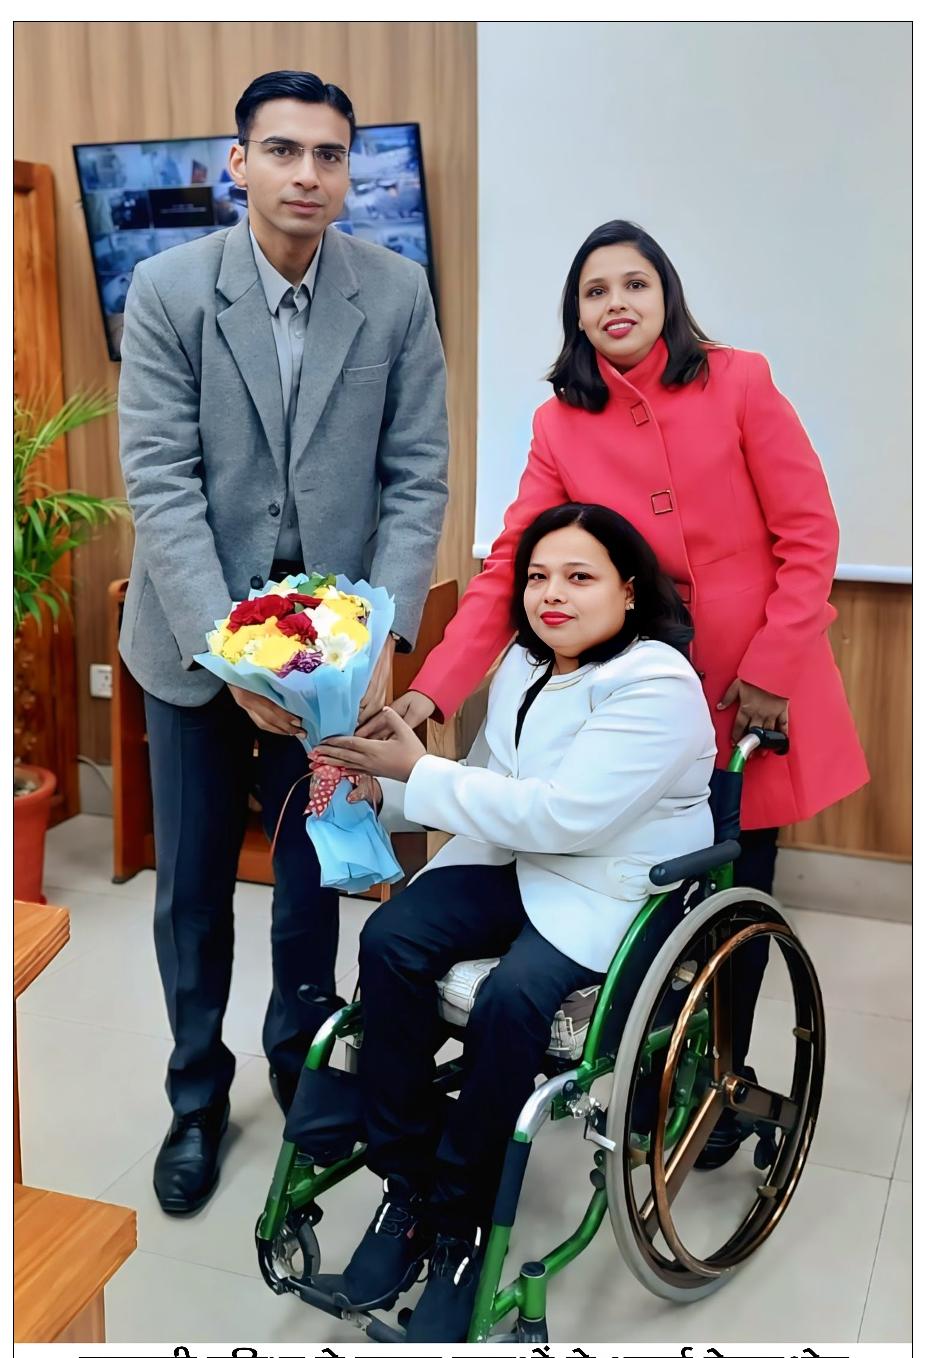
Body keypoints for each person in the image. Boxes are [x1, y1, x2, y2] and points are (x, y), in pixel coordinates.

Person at [380, 219, 868, 1162]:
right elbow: (510, 569)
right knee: (638, 889)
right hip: (631, 694)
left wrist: (771, 669)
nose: (616, 303)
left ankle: (715, 1078)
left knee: (733, 892)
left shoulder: (739, 380)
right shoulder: (560, 421)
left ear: (666, 296)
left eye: (634, 284)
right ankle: (645, 1061)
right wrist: (432, 691)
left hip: (751, 690)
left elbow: (808, 534)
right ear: (576, 315)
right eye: (594, 291)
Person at [117, 69, 448, 1215]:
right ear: (239, 164)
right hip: (191, 652)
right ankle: (195, 1095)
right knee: (193, 889)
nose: (308, 173)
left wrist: (382, 634)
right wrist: (234, 656)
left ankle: (298, 1069)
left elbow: (417, 475)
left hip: (336, 662)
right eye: (283, 150)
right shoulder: (167, 289)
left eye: (329, 154)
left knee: (312, 883)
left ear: (348, 170)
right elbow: (161, 482)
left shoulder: (395, 292)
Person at [316, 503, 717, 1339]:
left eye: (578, 577)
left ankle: (460, 1219)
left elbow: (567, 816)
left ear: (629, 590)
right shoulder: (527, 665)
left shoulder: (658, 685)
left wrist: (418, 769)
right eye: (537, 577)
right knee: (389, 940)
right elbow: (487, 781)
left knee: (512, 1000)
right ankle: (405, 1185)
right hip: (514, 857)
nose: (550, 595)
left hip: (607, 879)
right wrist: (379, 791)